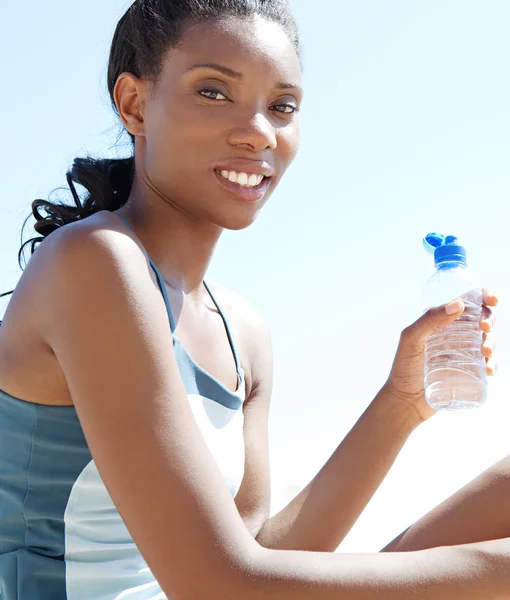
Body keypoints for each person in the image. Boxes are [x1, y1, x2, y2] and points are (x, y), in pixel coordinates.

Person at [0, 0, 508, 598]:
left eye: (283, 106)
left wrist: (399, 405)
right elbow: (217, 584)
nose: (258, 132)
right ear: (134, 104)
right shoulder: (94, 262)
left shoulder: (243, 330)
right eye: (213, 92)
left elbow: (261, 558)